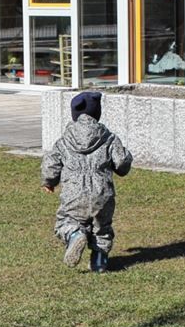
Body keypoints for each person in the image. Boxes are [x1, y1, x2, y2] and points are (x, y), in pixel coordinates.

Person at [41, 91, 131, 273]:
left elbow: (51, 163)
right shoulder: (109, 138)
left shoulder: (64, 141)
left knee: (66, 221)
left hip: (73, 194)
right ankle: (99, 261)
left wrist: (49, 181)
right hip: (102, 194)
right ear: (97, 114)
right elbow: (122, 163)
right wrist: (125, 161)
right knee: (102, 228)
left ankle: (75, 234)